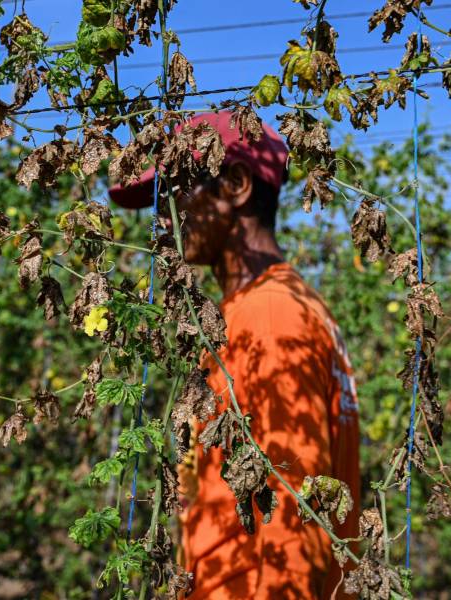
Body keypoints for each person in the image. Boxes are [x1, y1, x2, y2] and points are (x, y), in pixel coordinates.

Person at [109, 111, 360, 600]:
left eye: (173, 192)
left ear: (237, 184)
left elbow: (282, 528)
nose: (160, 219)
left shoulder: (267, 318)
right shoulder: (284, 304)